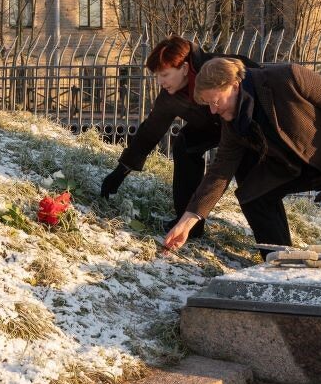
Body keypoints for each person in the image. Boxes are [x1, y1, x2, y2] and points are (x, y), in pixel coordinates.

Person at [162, 57, 321, 254]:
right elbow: (220, 172)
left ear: (233, 84)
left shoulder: (287, 76)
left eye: (214, 101)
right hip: (294, 165)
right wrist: (190, 218)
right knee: (255, 195)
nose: (212, 110)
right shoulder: (234, 122)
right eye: (207, 104)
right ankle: (279, 259)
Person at [99, 36, 257, 239]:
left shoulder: (218, 68)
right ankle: (187, 224)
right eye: (157, 76)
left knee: (252, 182)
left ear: (183, 68)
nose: (160, 82)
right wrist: (121, 171)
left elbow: (259, 88)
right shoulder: (170, 97)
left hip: (245, 128)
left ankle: (269, 244)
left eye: (164, 74)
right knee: (185, 144)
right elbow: (150, 131)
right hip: (212, 128)